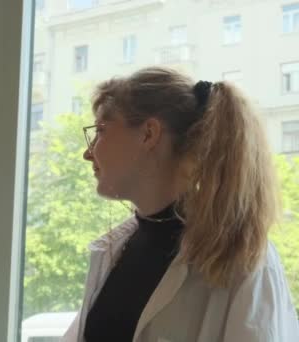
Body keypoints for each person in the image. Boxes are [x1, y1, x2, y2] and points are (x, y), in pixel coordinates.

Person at [63, 67, 299, 342]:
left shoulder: (244, 260)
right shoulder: (115, 251)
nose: (87, 153)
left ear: (148, 134)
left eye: (100, 130)